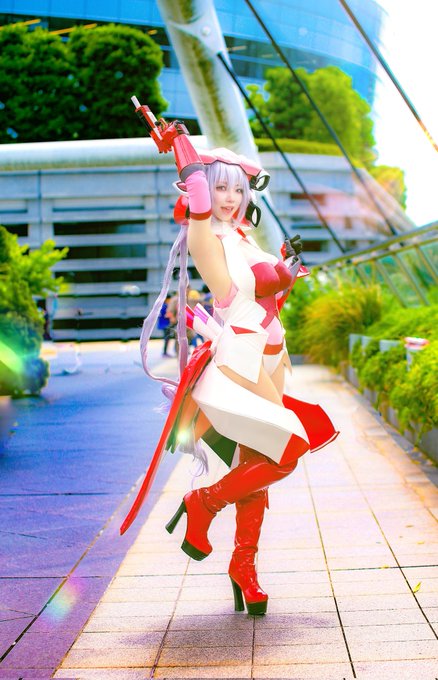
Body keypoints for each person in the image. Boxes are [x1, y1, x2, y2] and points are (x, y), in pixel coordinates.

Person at [121, 126, 339, 616]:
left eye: (237, 189)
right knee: (289, 449)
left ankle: (244, 567)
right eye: (220, 186)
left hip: (271, 355)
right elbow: (200, 199)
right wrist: (180, 147)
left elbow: (265, 297)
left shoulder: (242, 237)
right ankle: (204, 502)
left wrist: (285, 271)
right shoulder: (204, 235)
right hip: (240, 355)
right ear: (202, 188)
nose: (229, 197)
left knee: (255, 462)